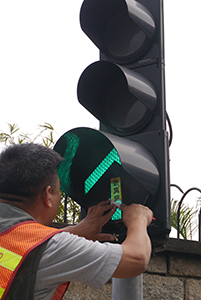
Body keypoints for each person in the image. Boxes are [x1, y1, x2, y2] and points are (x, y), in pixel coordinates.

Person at [0, 143, 153, 300]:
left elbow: (19, 245)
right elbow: (137, 259)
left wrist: (74, 231)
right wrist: (138, 220)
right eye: (58, 191)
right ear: (47, 196)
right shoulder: (55, 249)